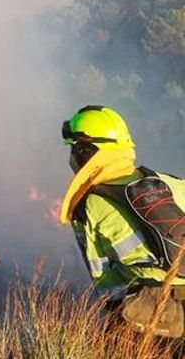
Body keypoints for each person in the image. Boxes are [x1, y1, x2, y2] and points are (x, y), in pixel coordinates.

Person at [60, 105, 185, 337]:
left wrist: (113, 334)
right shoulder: (168, 181)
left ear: (87, 152)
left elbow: (106, 282)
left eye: (76, 149)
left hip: (162, 315)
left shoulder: (89, 206)